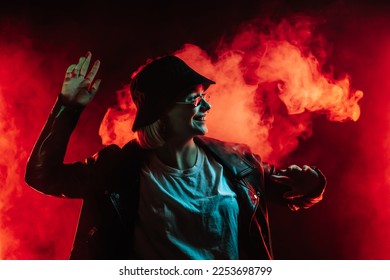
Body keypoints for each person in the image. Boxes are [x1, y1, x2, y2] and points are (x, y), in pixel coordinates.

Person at [25, 51, 326, 260]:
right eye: (194, 100)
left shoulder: (237, 162)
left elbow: (294, 194)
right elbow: (43, 175)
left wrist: (311, 184)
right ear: (161, 111)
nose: (206, 107)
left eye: (204, 98)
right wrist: (67, 107)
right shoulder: (118, 169)